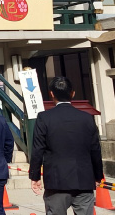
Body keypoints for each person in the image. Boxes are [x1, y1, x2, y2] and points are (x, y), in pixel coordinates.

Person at [29, 76, 104, 215]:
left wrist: (35, 176)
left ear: (51, 94)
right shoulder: (87, 118)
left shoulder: (44, 117)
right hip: (83, 179)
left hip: (56, 181)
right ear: (73, 93)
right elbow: (95, 149)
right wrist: (98, 175)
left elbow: (38, 149)